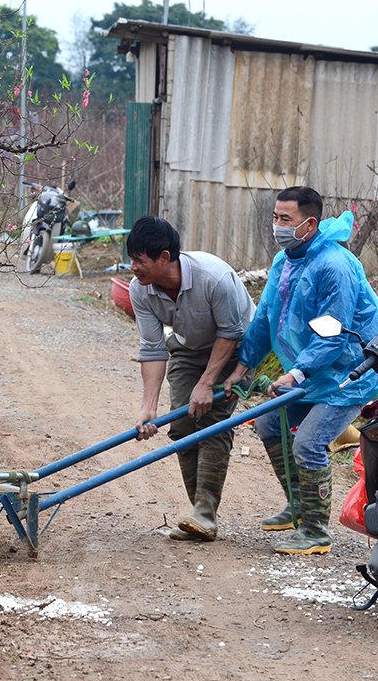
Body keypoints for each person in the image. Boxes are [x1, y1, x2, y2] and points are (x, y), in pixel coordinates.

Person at [225, 186, 378, 555]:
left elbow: (334, 334)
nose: (277, 226)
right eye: (275, 217)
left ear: (309, 224)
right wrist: (242, 368)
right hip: (311, 371)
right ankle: (299, 506)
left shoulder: (334, 265)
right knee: (268, 424)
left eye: (285, 219)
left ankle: (316, 531)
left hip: (348, 375)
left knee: (309, 443)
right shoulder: (286, 260)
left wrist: (296, 373)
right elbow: (265, 319)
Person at [129, 216, 256, 542]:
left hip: (237, 347)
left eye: (139, 261)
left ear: (165, 258)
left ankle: (204, 511)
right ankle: (200, 515)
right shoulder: (140, 291)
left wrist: (206, 383)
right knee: (183, 424)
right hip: (189, 347)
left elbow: (231, 333)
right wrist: (148, 407)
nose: (133, 268)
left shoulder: (214, 278)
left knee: (212, 417)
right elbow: (153, 349)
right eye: (131, 260)